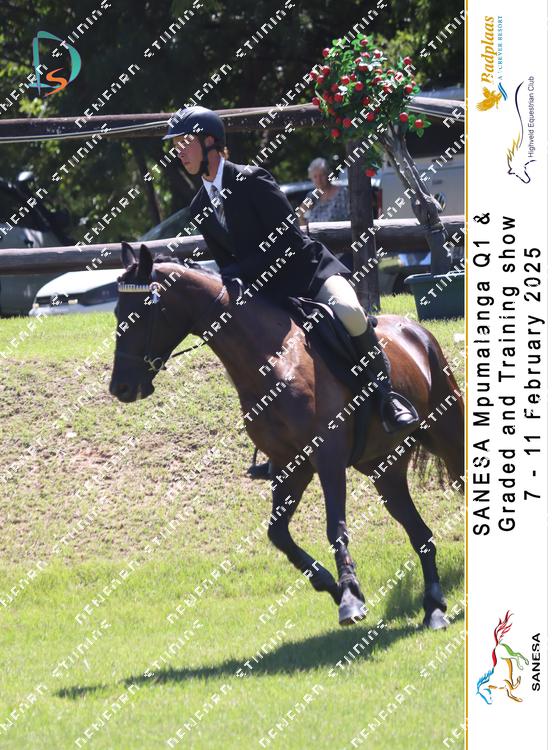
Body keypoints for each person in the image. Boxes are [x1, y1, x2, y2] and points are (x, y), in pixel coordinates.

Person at [162, 106, 418, 477]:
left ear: (210, 141)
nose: (179, 152)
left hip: (307, 276)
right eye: (175, 146)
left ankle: (386, 398)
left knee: (350, 312)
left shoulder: (252, 180)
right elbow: (226, 264)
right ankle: (277, 445)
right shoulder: (199, 205)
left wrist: (241, 273)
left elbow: (288, 239)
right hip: (269, 297)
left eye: (185, 143)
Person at [303, 157, 350, 223]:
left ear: (328, 175)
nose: (318, 180)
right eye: (315, 176)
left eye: (322, 175)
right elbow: (302, 220)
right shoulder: (312, 196)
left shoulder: (343, 193)